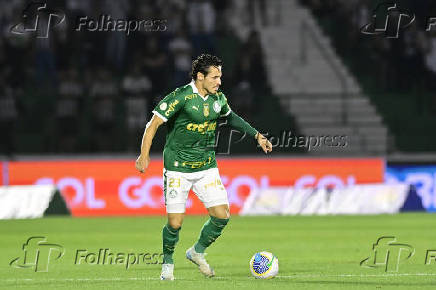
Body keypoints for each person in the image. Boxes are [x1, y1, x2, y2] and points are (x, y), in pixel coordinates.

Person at [135, 54, 272, 280]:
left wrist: (257, 135)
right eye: (215, 77)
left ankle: (196, 251)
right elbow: (153, 125)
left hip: (206, 166)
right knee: (175, 222)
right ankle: (168, 262)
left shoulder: (219, 99)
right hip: (178, 167)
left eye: (220, 77)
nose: (219, 82)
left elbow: (232, 118)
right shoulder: (180, 97)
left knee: (222, 216)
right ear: (200, 77)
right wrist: (144, 155)